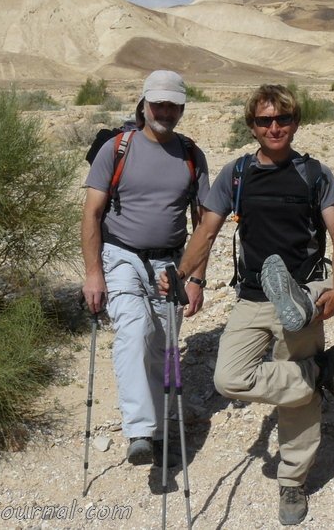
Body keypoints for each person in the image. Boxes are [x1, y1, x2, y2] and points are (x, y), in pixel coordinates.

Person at [164, 84, 334, 526]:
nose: (274, 128)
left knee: (296, 405)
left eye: (283, 119)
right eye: (264, 120)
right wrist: (181, 276)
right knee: (230, 377)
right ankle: (321, 372)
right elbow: (207, 232)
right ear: (251, 125)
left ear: (295, 122)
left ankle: (293, 481)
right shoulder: (235, 175)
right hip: (252, 296)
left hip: (303, 295)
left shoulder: (314, 174)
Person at [81, 70, 210, 468]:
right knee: (135, 330)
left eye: (173, 105)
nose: (165, 111)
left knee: (163, 344)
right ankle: (139, 431)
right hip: (120, 256)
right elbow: (92, 213)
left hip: (171, 261)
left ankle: (156, 433)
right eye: (159, 104)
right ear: (144, 103)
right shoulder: (117, 148)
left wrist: (197, 279)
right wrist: (93, 274)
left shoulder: (191, 154)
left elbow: (205, 222)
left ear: (182, 108)